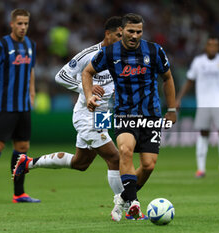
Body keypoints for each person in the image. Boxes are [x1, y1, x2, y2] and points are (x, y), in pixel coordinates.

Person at [13, 16, 139, 221]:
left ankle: (29, 163)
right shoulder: (89, 54)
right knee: (115, 158)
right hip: (85, 114)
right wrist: (85, 89)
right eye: (119, 34)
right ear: (108, 34)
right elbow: (60, 76)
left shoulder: (122, 56)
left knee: (81, 163)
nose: (123, 38)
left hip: (103, 113)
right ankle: (127, 207)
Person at [82, 13, 177, 221]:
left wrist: (172, 109)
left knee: (149, 165)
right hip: (125, 112)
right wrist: (89, 95)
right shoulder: (109, 53)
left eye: (139, 32)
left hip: (151, 114)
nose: (135, 35)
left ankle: (124, 198)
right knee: (125, 150)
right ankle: (134, 203)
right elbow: (87, 72)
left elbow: (167, 78)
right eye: (131, 31)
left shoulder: (154, 51)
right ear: (121, 31)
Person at [0, 9, 40, 204]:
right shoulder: (1, 45)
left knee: (23, 147)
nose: (23, 27)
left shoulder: (31, 45)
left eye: (26, 24)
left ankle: (19, 193)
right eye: (20, 23)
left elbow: (30, 70)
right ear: (12, 24)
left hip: (23, 106)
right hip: (4, 106)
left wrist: (32, 92)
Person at [176, 35, 219, 178]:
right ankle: (201, 169)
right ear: (206, 47)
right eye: (210, 45)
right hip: (204, 104)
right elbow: (189, 81)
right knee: (203, 133)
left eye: (215, 45)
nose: (213, 48)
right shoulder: (198, 62)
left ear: (218, 47)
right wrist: (178, 99)